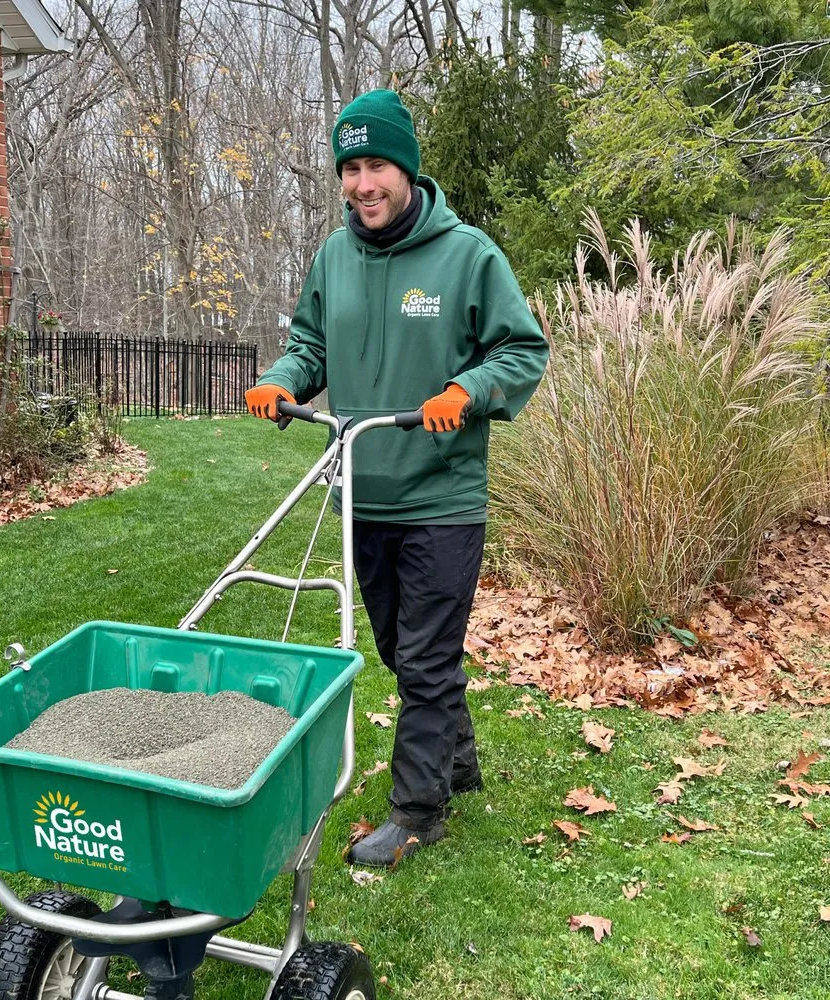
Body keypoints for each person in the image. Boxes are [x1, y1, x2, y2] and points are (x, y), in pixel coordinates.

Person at [245, 89, 549, 867]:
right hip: (362, 492)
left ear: (406, 169)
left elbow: (520, 350)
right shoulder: (332, 257)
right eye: (349, 167)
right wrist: (284, 379)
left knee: (424, 657)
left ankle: (419, 811)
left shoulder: (468, 255)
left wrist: (466, 392)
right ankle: (459, 756)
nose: (362, 183)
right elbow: (309, 342)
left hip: (442, 496)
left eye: (376, 163)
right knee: (400, 648)